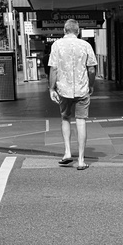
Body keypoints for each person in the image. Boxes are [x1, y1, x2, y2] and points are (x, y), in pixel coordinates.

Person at [49, 19, 98, 170]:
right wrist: (90, 85)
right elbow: (91, 69)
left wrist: (51, 88)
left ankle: (67, 153)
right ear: (78, 31)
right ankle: (82, 160)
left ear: (64, 30)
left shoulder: (56, 45)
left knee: (65, 118)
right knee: (81, 121)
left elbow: (53, 69)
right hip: (82, 89)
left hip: (63, 89)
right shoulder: (85, 45)